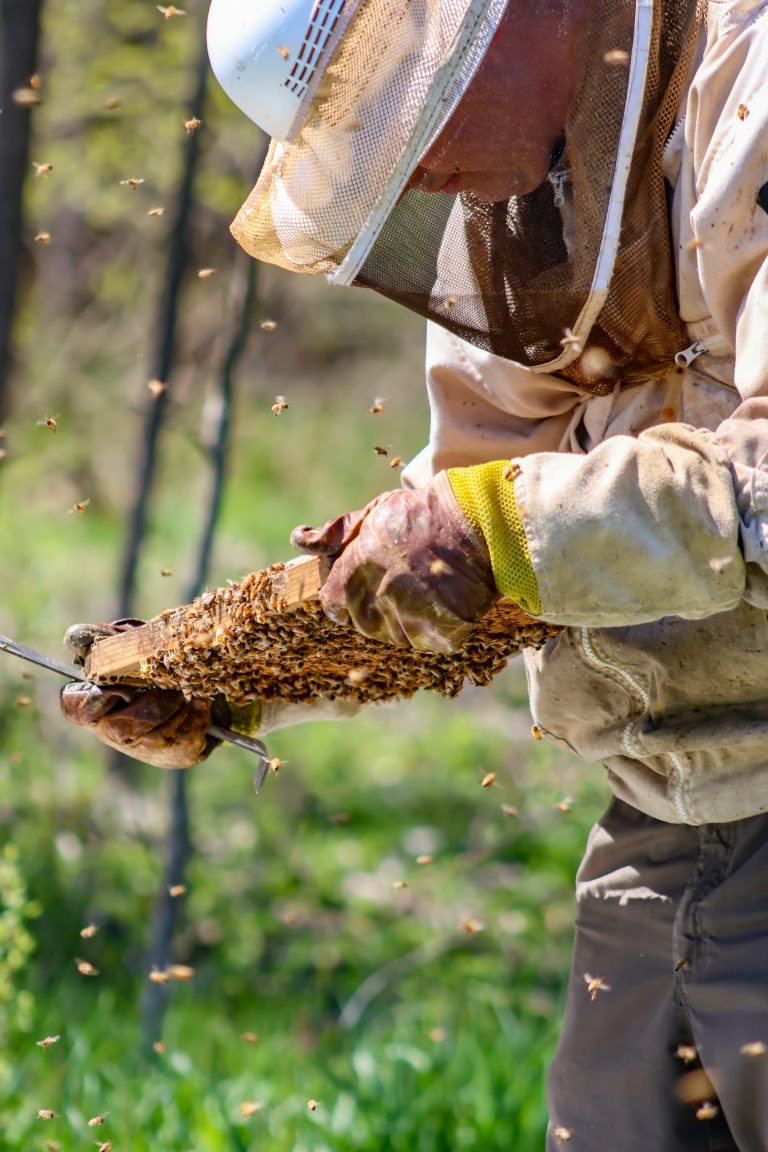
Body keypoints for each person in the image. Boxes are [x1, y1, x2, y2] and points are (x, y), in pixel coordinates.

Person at [61, 0, 768, 1146]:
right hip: (659, 810)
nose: (420, 166)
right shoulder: (520, 202)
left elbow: (668, 505)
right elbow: (477, 540)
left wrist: (491, 532)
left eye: (407, 104)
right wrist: (231, 666)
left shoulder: (752, 75)